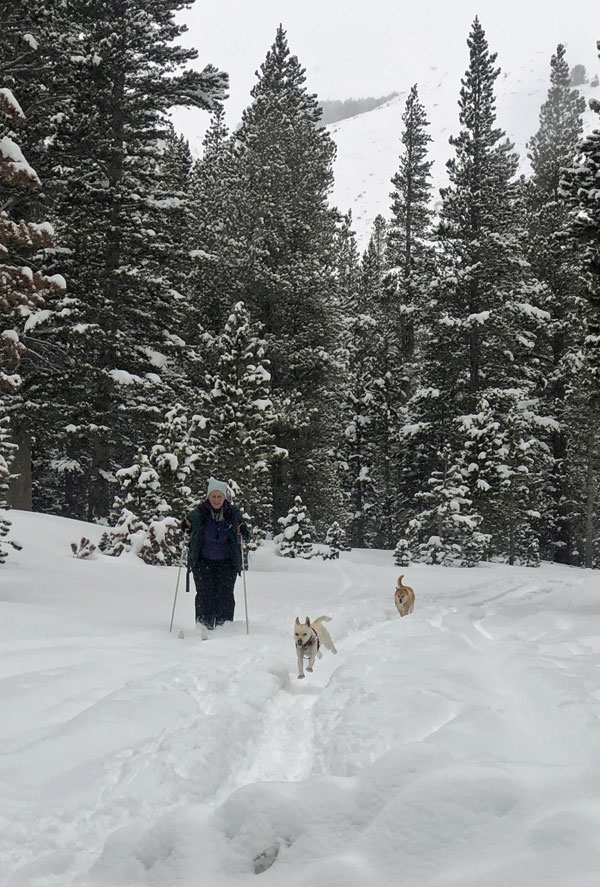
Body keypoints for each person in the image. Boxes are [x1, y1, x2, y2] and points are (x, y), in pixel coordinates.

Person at [182, 477, 250, 630]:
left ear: (224, 497)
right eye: (213, 496)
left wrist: (243, 530)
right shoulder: (200, 511)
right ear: (208, 497)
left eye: (219, 496)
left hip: (227, 562)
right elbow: (189, 522)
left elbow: (245, 531)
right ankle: (203, 625)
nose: (216, 500)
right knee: (204, 593)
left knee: (225, 593)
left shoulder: (233, 513)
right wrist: (186, 525)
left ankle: (224, 625)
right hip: (203, 560)